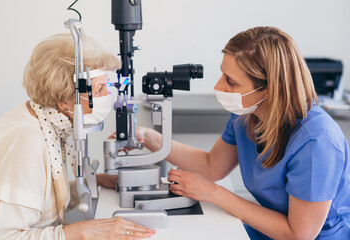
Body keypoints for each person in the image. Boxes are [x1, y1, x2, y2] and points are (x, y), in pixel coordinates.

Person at [130, 27, 350, 239]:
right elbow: (211, 165)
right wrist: (147, 137)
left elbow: (298, 234)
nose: (219, 86)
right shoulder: (247, 115)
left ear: (270, 88)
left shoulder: (317, 142)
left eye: (231, 81)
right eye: (223, 75)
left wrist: (213, 193)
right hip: (269, 230)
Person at [0, 33, 156, 240]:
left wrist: (95, 182)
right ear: (64, 101)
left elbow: (39, 199)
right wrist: (78, 233)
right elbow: (0, 236)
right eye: (100, 88)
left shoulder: (46, 123)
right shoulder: (27, 142)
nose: (109, 95)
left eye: (107, 85)